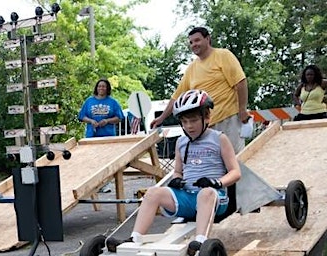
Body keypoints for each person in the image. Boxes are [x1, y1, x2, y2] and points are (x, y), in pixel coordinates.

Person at [107, 90, 241, 255]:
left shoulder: (219, 139)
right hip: (188, 198)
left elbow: (235, 172)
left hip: (214, 199)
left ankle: (199, 241)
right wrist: (176, 180)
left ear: (207, 117)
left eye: (193, 120)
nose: (189, 126)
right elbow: (177, 171)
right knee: (153, 193)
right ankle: (135, 239)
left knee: (205, 193)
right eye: (184, 122)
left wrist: (217, 182)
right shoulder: (181, 142)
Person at [150, 26, 249, 154]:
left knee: (235, 160)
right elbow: (177, 96)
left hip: (227, 119)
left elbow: (240, 82)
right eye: (191, 42)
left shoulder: (223, 55)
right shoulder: (192, 68)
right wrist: (161, 118)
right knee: (212, 164)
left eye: (197, 40)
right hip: (205, 124)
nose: (194, 45)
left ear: (207, 39)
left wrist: (242, 110)